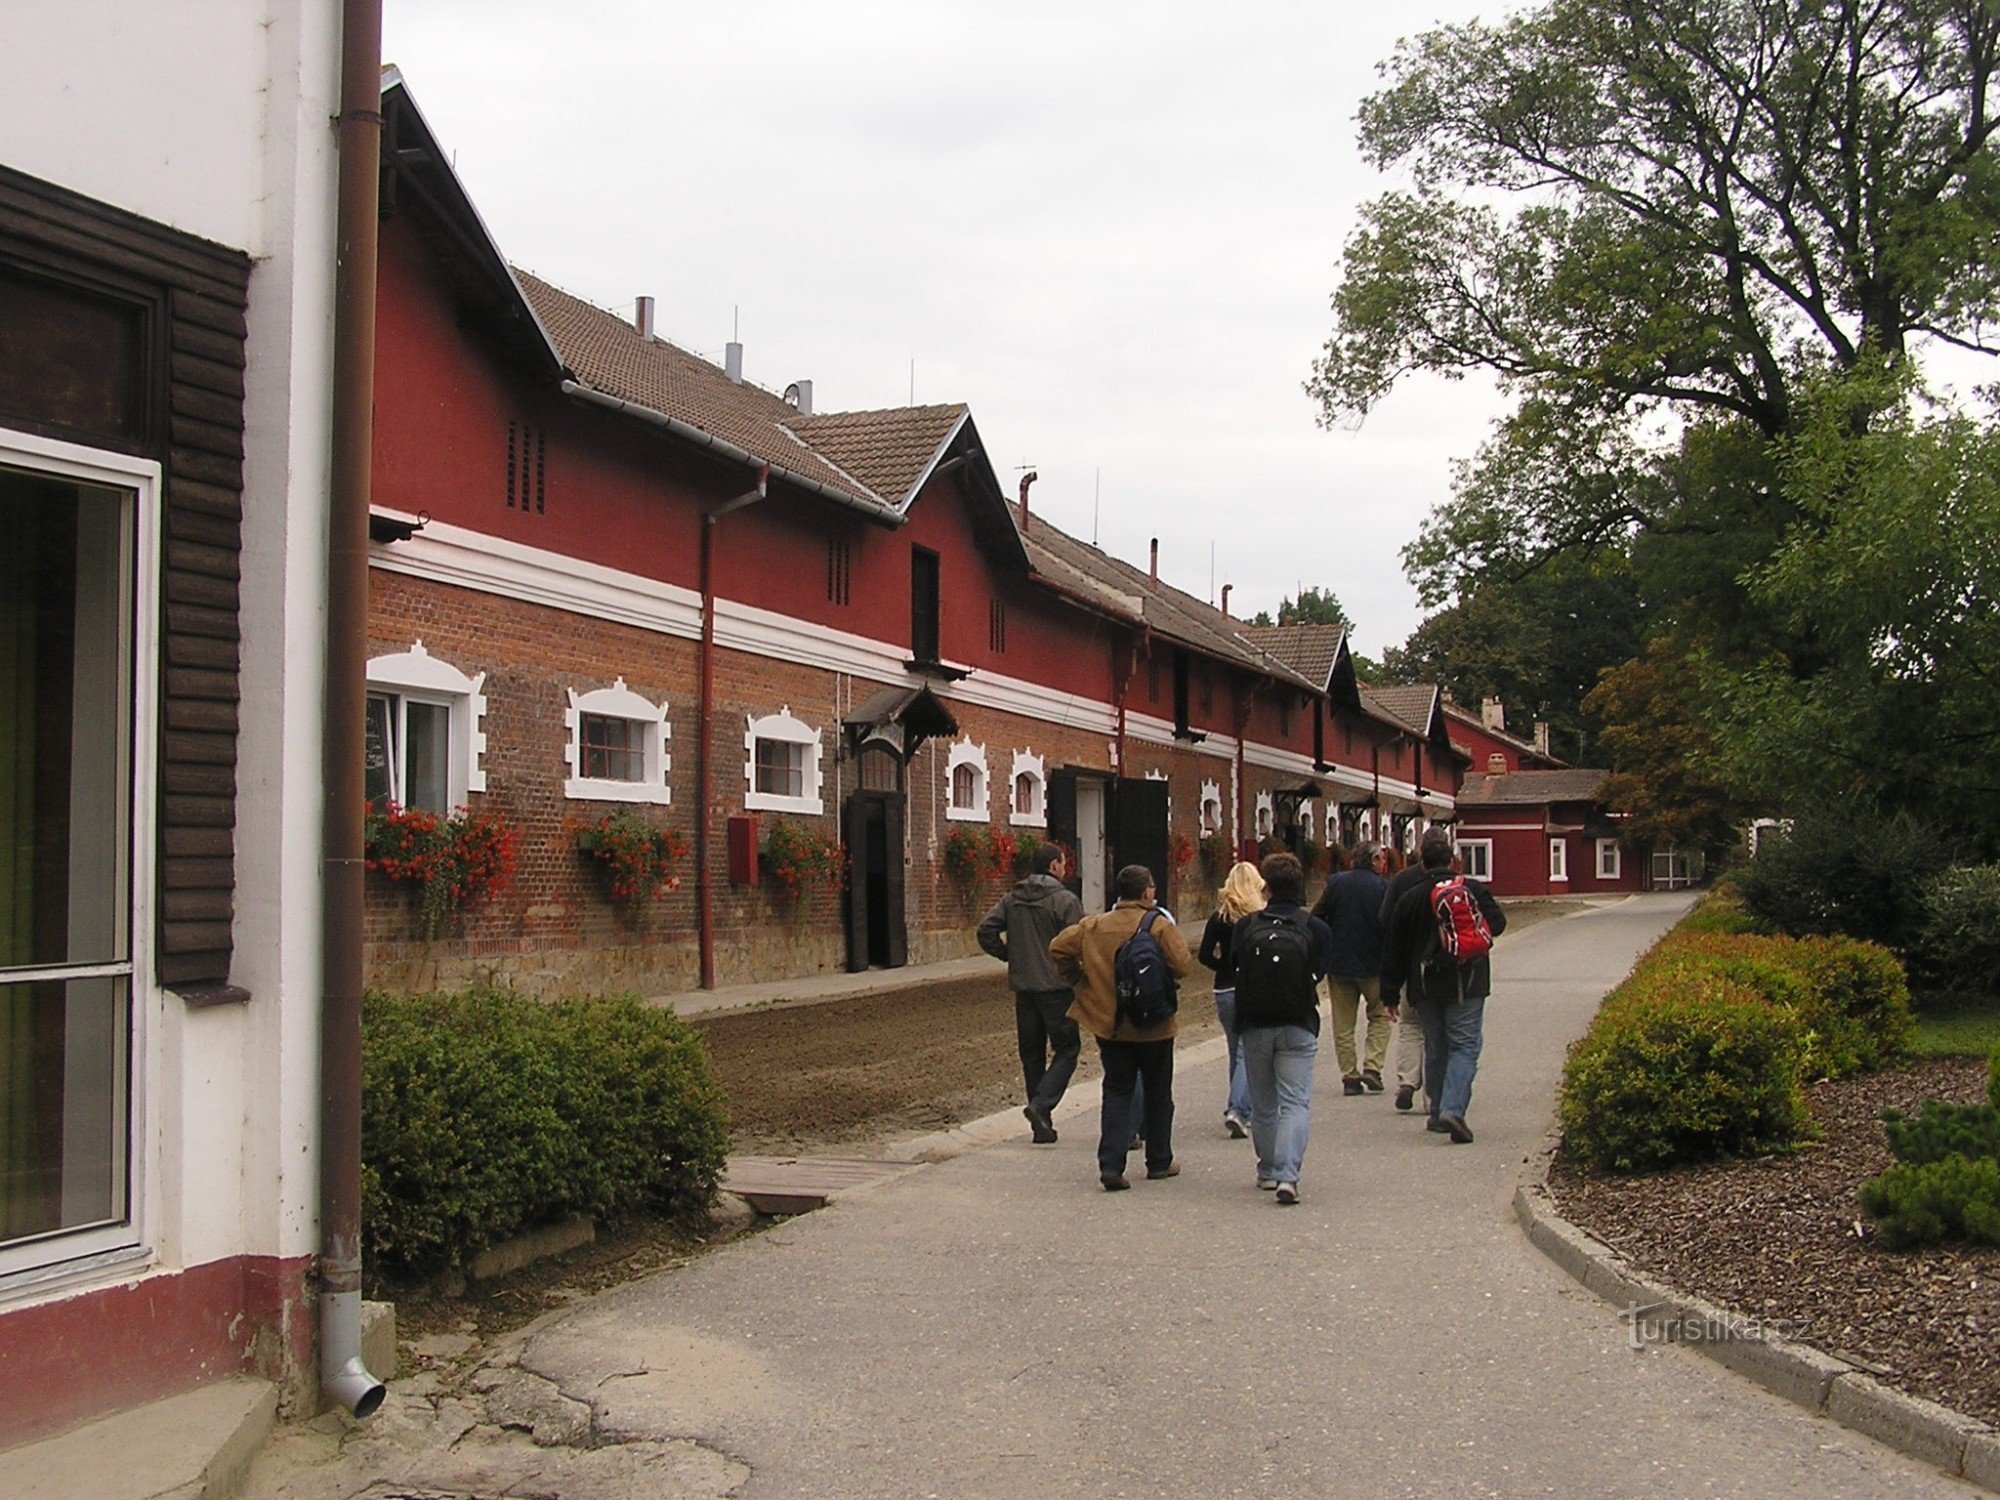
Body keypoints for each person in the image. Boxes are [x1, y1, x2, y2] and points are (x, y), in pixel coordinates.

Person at [1049, 865, 1197, 1191]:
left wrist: (1079, 980)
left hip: (1111, 1025)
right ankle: (1159, 1160)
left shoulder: (1094, 925)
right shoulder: (1158, 925)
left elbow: (1058, 948)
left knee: (1117, 1090)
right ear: (1146, 892)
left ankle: (1111, 1163)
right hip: (1155, 1025)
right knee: (1159, 1092)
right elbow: (1184, 965)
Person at [1380, 829, 1506, 1144]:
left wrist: (1390, 992)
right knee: (1464, 1046)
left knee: (1436, 1046)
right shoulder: (1473, 889)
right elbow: (1499, 924)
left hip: (1424, 985)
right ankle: (1453, 1109)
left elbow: (1394, 948)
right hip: (1469, 980)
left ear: (1421, 862)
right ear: (1454, 860)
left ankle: (1437, 1112)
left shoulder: (1410, 897)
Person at [1230, 851, 1334, 1206]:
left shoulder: (1246, 927)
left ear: (1267, 887)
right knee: (1294, 1102)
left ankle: (1268, 1170)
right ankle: (1289, 1175)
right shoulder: (1314, 928)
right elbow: (1320, 970)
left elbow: (1234, 966)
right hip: (1298, 1023)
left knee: (1263, 1104)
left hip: (1255, 1023)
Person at [978, 842, 1087, 1143]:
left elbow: (985, 930)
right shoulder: (1065, 901)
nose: (1065, 869)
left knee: (1032, 1054)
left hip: (1024, 988)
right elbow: (1079, 944)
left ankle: (1041, 1123)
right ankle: (1041, 1105)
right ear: (1054, 866)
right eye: (1063, 864)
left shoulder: (1012, 898)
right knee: (1067, 1050)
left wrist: (1009, 954)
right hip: (1057, 989)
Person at [1312, 840, 1392, 1095]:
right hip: (1374, 965)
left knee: (1343, 1022)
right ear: (1373, 861)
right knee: (1379, 1016)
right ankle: (1373, 1066)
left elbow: (1316, 916)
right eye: (1380, 858)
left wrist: (1328, 942)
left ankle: (1349, 1076)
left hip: (1340, 964)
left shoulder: (1336, 883)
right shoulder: (1383, 888)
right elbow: (1390, 926)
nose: (1383, 863)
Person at [1197, 861, 1265, 1137]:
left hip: (1224, 988)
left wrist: (1223, 967)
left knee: (1235, 1049)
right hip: (1251, 988)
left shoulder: (1219, 918)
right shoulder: (1259, 917)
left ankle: (1238, 1106)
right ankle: (1239, 1109)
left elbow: (1203, 955)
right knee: (1247, 1051)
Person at [1380, 836, 1438, 1113]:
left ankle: (1407, 1081)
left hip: (1410, 969)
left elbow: (1386, 923)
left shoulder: (1402, 882)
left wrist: (1389, 987)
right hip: (1446, 972)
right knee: (1437, 1031)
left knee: (1410, 1026)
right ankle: (1434, 1095)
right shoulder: (1456, 884)